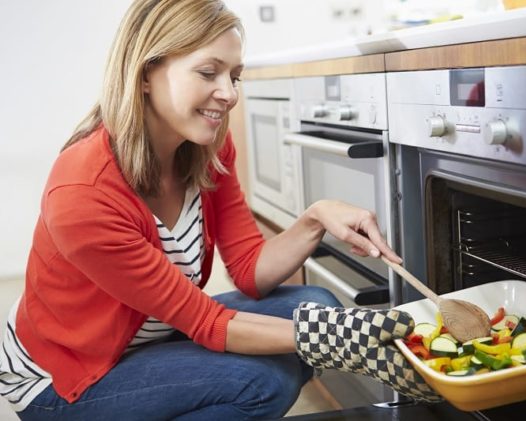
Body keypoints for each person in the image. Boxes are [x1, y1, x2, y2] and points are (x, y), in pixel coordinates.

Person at [0, 0, 439, 419]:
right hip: (69, 377)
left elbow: (249, 269)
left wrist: (315, 218)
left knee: (316, 305)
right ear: (146, 73)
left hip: (150, 333)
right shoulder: (84, 192)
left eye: (235, 76)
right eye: (209, 72)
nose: (228, 94)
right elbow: (207, 321)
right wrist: (346, 340)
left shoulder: (206, 148)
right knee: (262, 381)